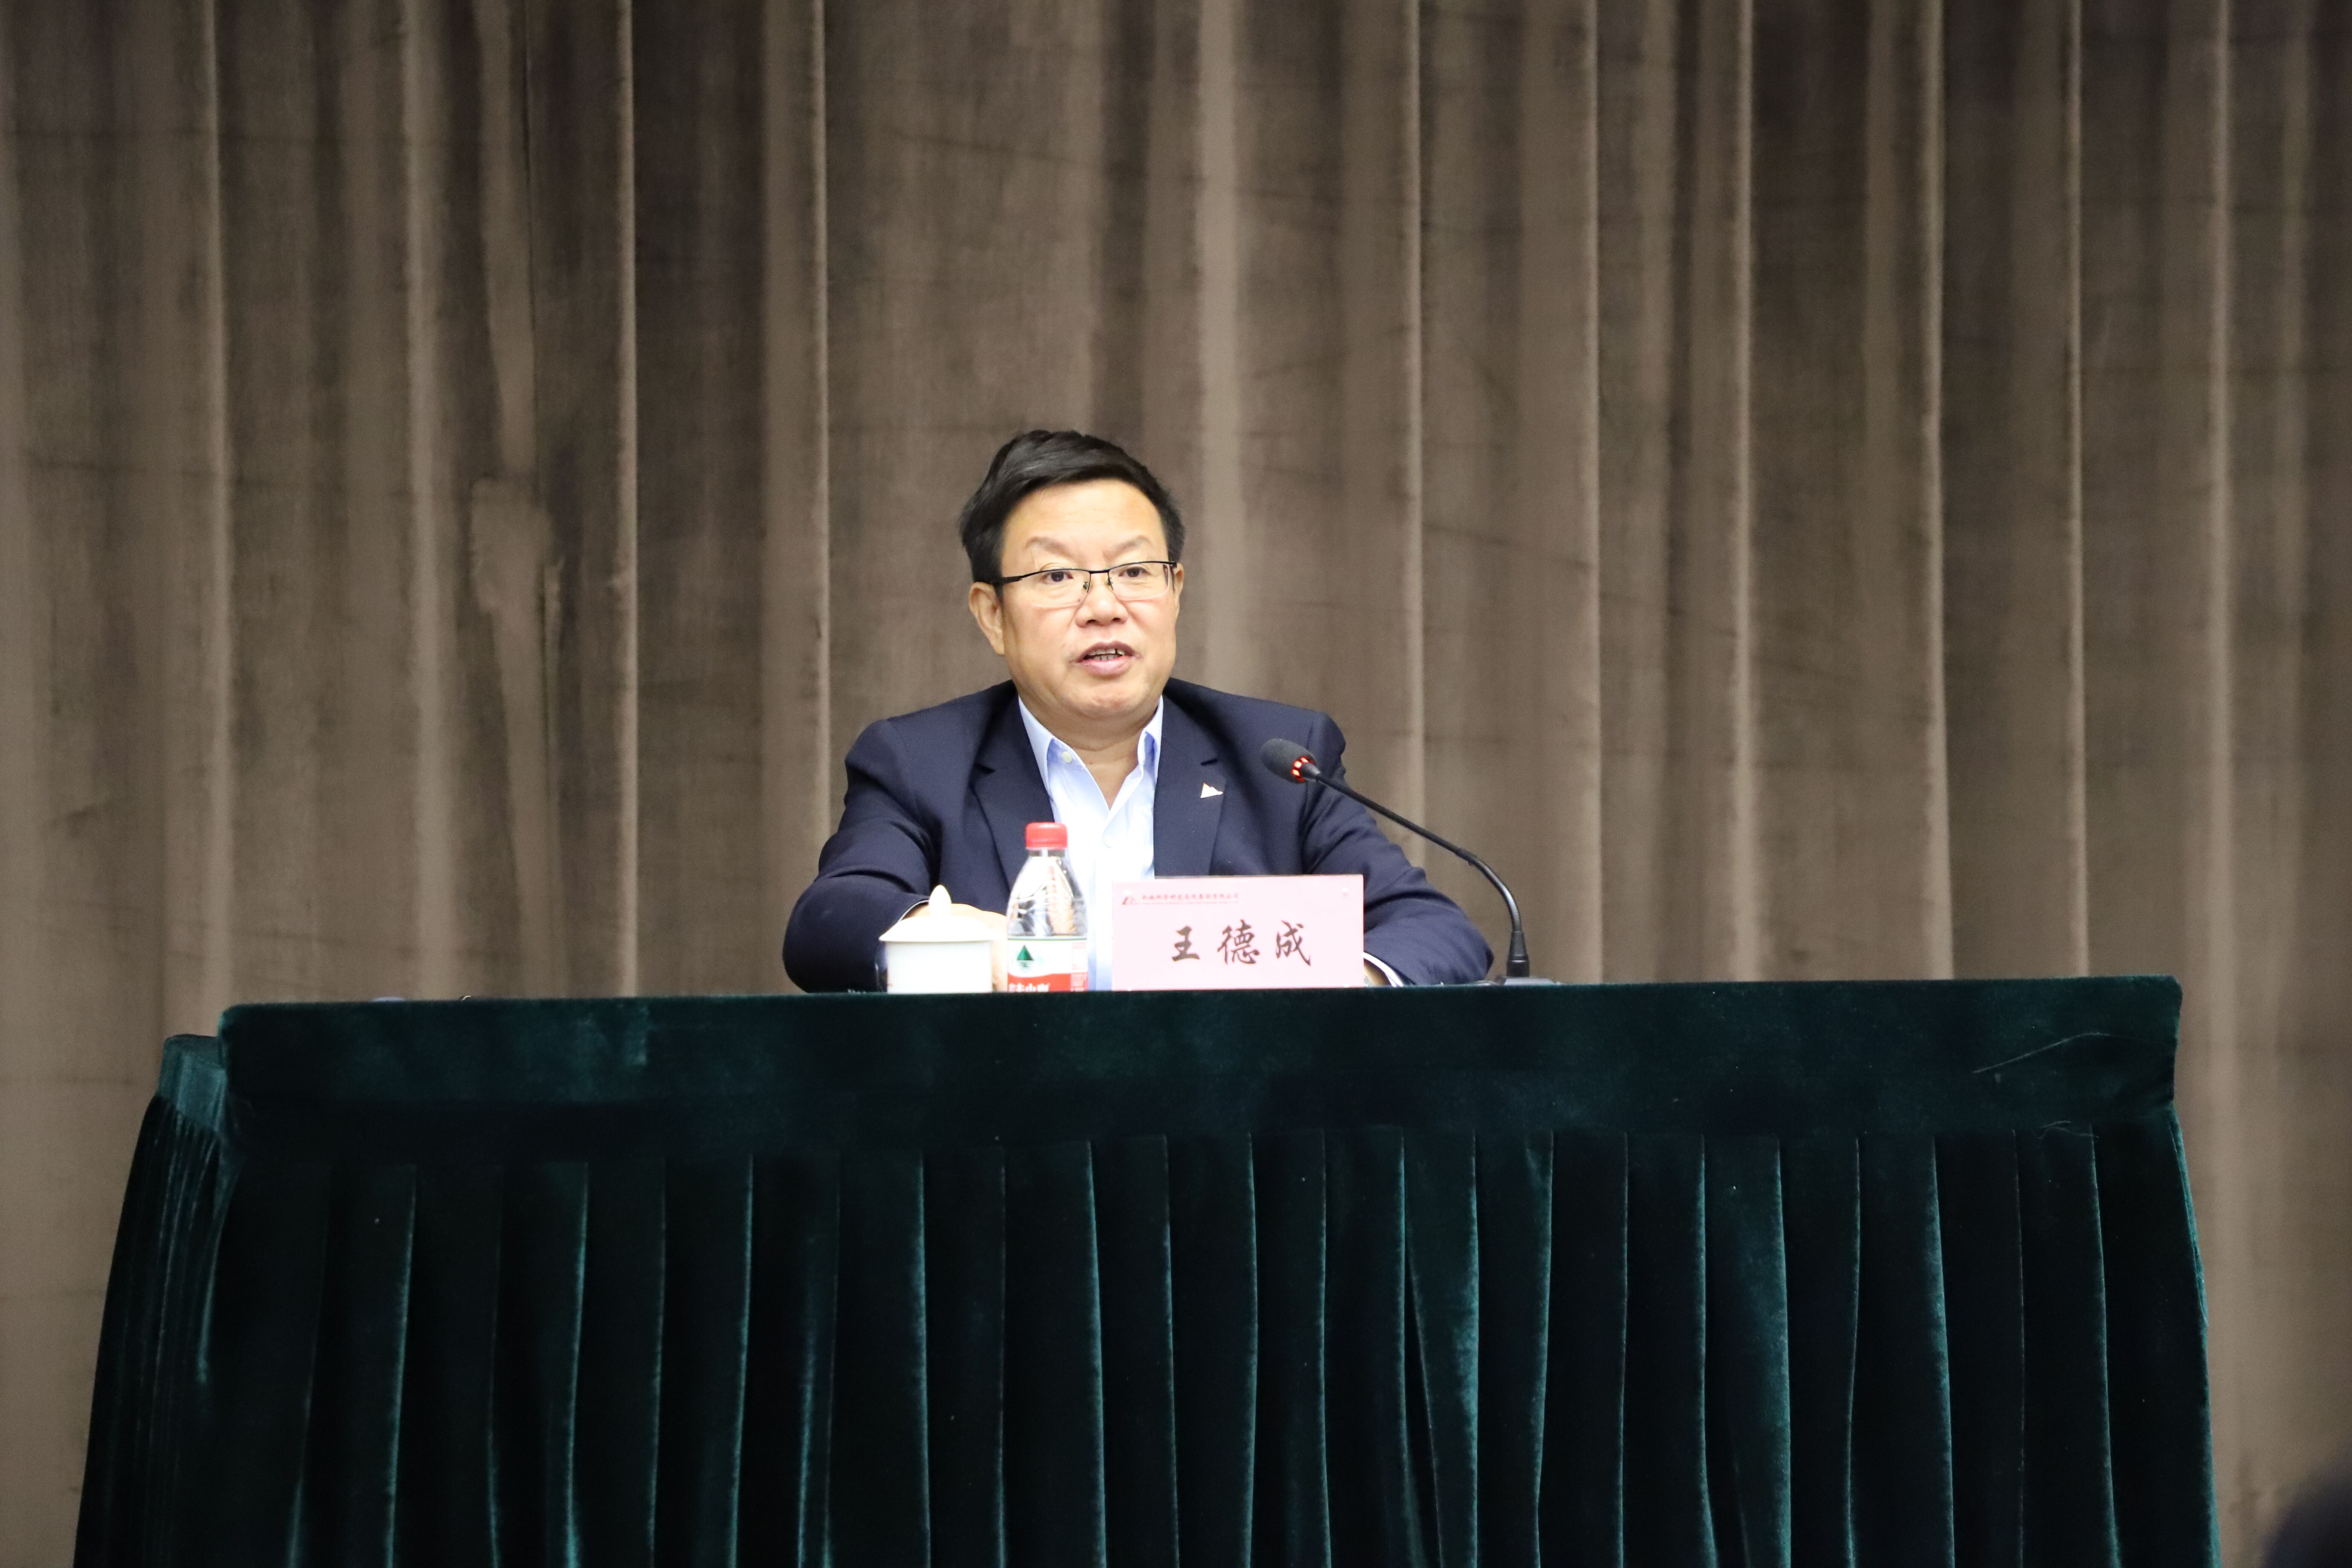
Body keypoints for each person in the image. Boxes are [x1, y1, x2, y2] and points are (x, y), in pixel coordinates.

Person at [782, 429, 1491, 992]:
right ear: (992, 614)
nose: (1104, 607)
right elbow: (828, 923)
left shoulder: (1278, 758)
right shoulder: (920, 763)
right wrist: (937, 939)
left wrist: (1337, 985)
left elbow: (1433, 929)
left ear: (1176, 591)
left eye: (1133, 571)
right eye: (1057, 576)